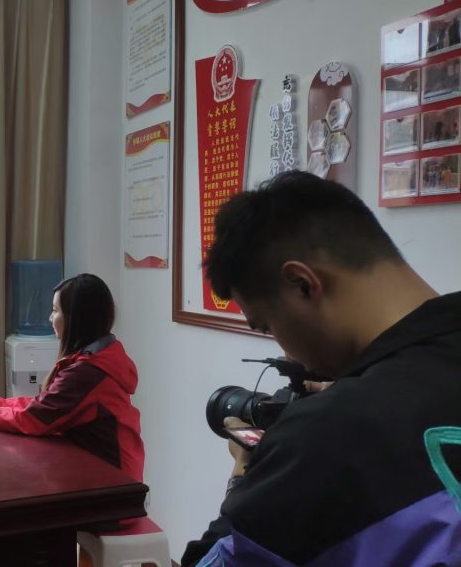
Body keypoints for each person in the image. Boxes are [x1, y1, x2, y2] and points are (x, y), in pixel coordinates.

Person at [182, 171, 461, 566]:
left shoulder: (326, 437)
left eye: (268, 326)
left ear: (302, 284)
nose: (289, 355)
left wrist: (244, 476)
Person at [0, 273, 145, 480]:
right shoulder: (98, 357)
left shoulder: (87, 373)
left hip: (115, 478)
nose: (50, 318)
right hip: (103, 468)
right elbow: (42, 405)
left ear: (76, 318)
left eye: (55, 311)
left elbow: (32, 419)